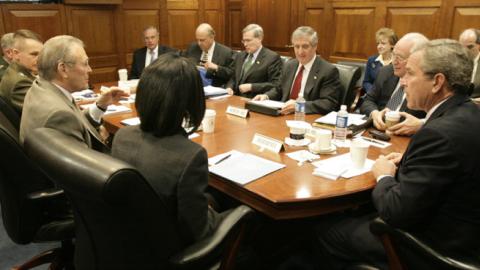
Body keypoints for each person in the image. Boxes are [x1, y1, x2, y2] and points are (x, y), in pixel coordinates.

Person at [315, 39, 480, 269]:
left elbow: (395, 211)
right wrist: (408, 161)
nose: (402, 83)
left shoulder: (437, 134)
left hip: (433, 248)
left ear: (437, 82)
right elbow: (451, 167)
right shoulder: (468, 111)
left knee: (324, 228)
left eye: (410, 74)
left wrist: (384, 175)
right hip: (465, 231)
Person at [112, 53, 224, 246]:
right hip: (170, 254)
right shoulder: (190, 156)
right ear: (192, 102)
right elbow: (198, 231)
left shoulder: (122, 136)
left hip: (126, 242)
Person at [20, 35, 127, 151]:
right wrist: (106, 141)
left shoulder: (39, 87)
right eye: (85, 63)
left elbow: (75, 120)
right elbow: (84, 164)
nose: (90, 70)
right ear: (63, 69)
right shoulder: (59, 115)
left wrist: (100, 106)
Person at [253, 26, 342, 115]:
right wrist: (266, 96)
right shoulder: (289, 65)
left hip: (307, 119)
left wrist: (299, 106)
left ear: (315, 47)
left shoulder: (328, 71)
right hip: (284, 115)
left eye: (305, 46)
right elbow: (278, 90)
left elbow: (328, 103)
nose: (300, 52)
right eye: (297, 46)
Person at [360, 33, 428, 136]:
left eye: (400, 57)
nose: (394, 61)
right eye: (393, 55)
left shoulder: (426, 82)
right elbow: (368, 100)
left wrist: (421, 124)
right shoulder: (386, 72)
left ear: (417, 58)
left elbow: (440, 118)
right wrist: (375, 113)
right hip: (378, 132)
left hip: (406, 138)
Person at [225, 24, 282, 98]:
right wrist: (229, 87)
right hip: (235, 99)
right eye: (243, 40)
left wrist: (252, 87)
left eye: (248, 40)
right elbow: (233, 77)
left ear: (260, 38)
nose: (245, 44)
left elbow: (276, 85)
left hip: (255, 100)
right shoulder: (240, 56)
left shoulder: (272, 58)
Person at [0, 29, 43, 115]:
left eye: (41, 54)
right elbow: (44, 111)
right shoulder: (20, 82)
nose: (40, 59)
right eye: (34, 54)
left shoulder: (15, 70)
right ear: (16, 54)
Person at [184, 23, 234, 87]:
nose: (199, 43)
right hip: (193, 87)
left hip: (214, 88)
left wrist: (217, 68)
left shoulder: (225, 52)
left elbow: (231, 74)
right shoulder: (192, 48)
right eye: (197, 40)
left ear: (212, 37)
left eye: (202, 40)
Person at [363, 28, 398, 94]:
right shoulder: (372, 60)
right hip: (372, 96)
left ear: (392, 45)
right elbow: (366, 82)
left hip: (389, 99)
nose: (379, 46)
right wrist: (372, 91)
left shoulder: (397, 62)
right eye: (378, 43)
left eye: (383, 43)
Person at [459, 28, 480, 98]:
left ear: (479, 45)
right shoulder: (454, 61)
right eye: (461, 47)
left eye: (470, 47)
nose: (465, 51)